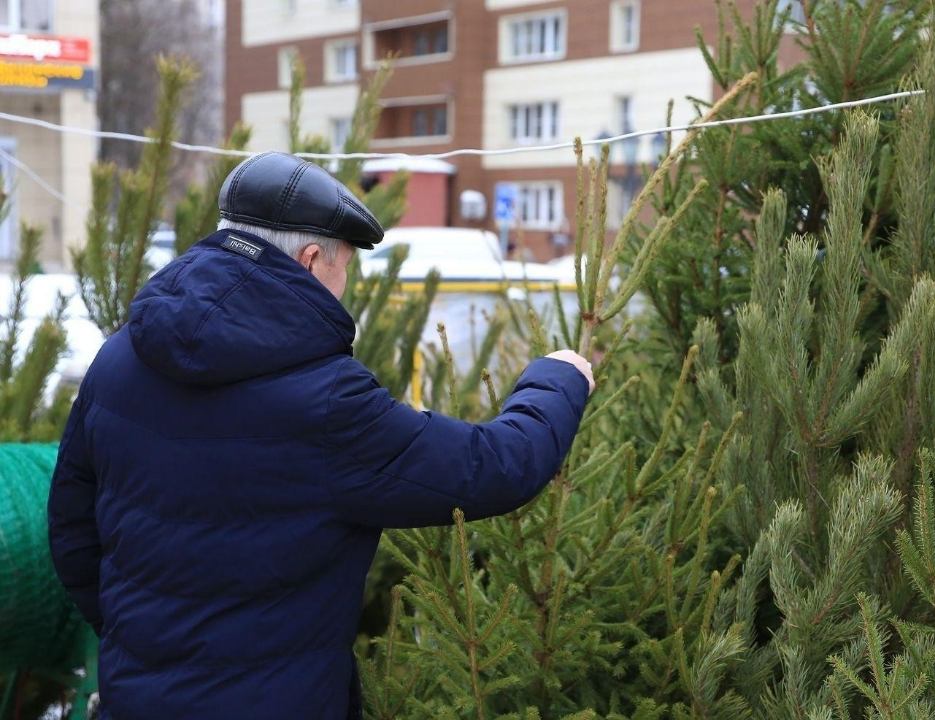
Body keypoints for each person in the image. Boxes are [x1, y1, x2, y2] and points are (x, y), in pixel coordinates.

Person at [47, 151, 594, 720]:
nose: (344, 286)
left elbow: (71, 531)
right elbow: (492, 468)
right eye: (345, 268)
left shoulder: (117, 358)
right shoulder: (326, 400)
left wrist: (144, 647)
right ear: (311, 260)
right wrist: (558, 378)